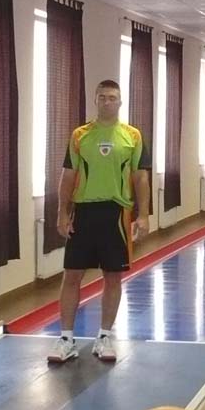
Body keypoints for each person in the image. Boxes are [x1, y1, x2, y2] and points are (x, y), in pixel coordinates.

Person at [47, 80, 151, 363]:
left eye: (112, 97)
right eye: (102, 97)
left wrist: (143, 214)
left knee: (113, 276)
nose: (107, 101)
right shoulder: (80, 135)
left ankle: (104, 336)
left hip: (116, 213)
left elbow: (140, 177)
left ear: (120, 101)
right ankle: (66, 339)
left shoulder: (133, 136)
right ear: (95, 100)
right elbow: (68, 176)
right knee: (72, 275)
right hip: (83, 211)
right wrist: (62, 212)